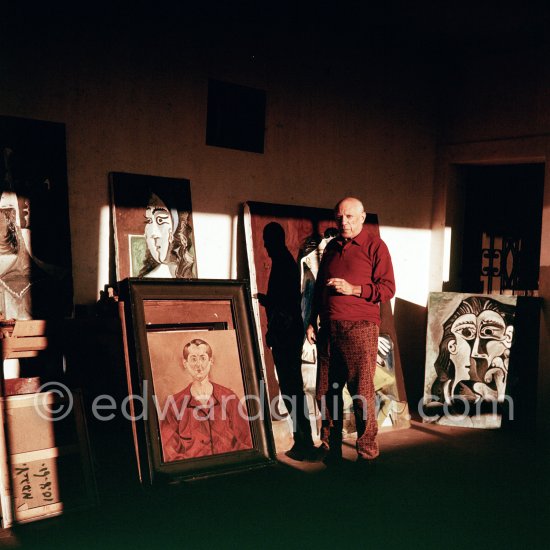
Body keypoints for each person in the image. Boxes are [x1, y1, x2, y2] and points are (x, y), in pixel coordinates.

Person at [306, 197, 395, 466]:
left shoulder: (375, 246)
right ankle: (329, 446)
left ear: (362, 217)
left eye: (349, 217)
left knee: (361, 391)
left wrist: (353, 289)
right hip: (329, 328)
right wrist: (312, 321)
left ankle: (367, 453)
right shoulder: (332, 247)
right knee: (327, 390)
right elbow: (320, 288)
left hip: (360, 327)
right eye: (339, 217)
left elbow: (388, 288)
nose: (343, 222)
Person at [257, 222, 317, 461]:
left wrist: (273, 333)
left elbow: (286, 307)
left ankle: (304, 442)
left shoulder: (283, 263)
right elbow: (283, 301)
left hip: (286, 335)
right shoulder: (285, 262)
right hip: (290, 333)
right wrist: (266, 299)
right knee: (293, 389)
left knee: (292, 390)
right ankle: (304, 439)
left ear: (274, 240)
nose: (263, 244)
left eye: (266, 239)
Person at [424, 295, 515, 424]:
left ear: (507, 338)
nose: (476, 352)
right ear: (451, 345)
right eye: (467, 333)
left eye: (488, 332)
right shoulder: (436, 398)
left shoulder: (501, 395)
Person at [159, 338, 253, 461]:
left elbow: (247, 441)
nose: (199, 365)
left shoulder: (229, 398)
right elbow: (169, 452)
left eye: (203, 358)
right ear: (185, 363)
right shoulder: (174, 405)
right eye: (193, 359)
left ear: (210, 361)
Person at [139, 192, 196, 278]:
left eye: (160, 220)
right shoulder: (149, 278)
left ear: (174, 230)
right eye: (149, 220)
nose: (154, 234)